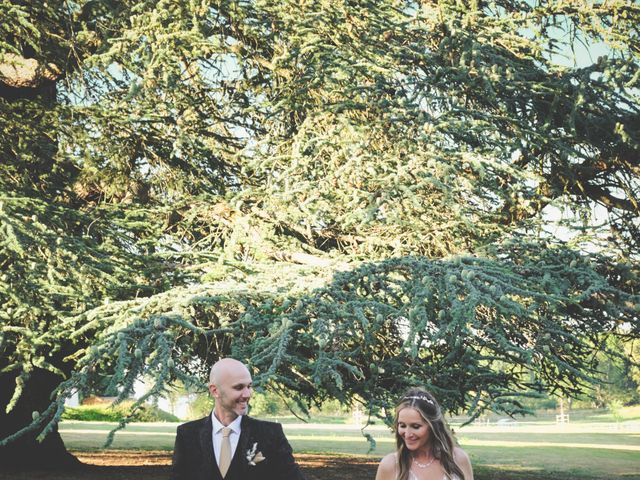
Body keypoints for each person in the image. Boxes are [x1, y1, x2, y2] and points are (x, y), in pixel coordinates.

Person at [171, 358, 306, 480]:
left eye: (249, 386)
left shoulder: (271, 433)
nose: (248, 394)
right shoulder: (187, 434)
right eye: (239, 387)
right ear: (215, 391)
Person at [375, 388, 473, 480]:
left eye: (415, 426)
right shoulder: (390, 465)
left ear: (432, 426)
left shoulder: (459, 458)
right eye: (402, 425)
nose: (408, 434)